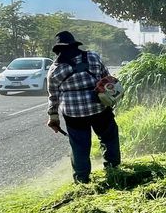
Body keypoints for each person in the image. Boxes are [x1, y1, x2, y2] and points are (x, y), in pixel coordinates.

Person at [46, 31, 120, 183]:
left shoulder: (54, 70)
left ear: (59, 51)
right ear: (75, 45)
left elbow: (53, 97)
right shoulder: (93, 57)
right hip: (99, 108)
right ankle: (113, 168)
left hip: (74, 114)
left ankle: (82, 179)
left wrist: (53, 118)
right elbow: (107, 79)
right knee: (109, 138)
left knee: (79, 146)